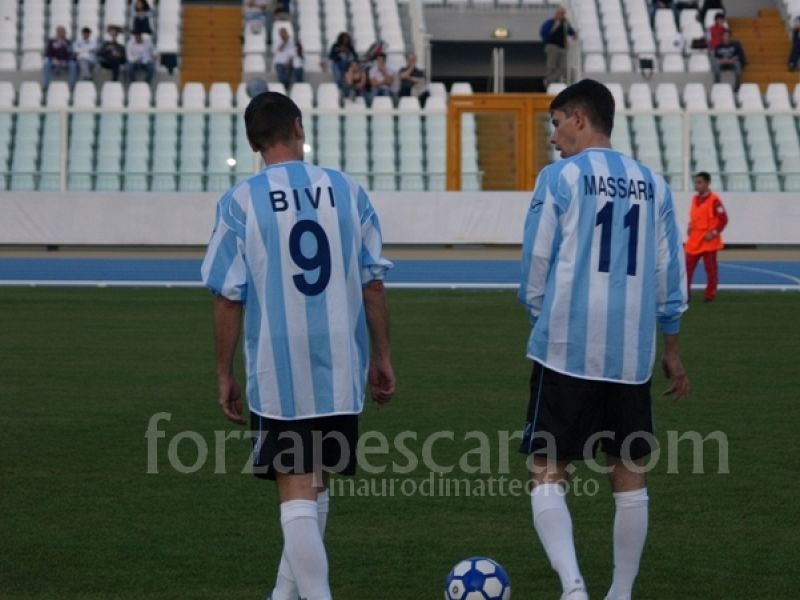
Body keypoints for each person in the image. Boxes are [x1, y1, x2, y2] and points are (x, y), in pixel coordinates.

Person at [200, 91, 395, 600]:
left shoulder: (241, 201)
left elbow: (227, 296)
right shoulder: (348, 191)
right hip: (341, 360)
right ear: (298, 127)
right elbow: (373, 283)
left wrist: (223, 373)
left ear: (252, 143)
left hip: (279, 364)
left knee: (296, 491)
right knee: (315, 483)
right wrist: (381, 356)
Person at [518, 79, 689, 600]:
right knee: (629, 473)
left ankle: (573, 588)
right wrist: (671, 347)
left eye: (556, 123)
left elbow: (536, 266)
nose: (553, 137)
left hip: (566, 351)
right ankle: (621, 592)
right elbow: (669, 274)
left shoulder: (559, 178)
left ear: (578, 118)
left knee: (547, 470)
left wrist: (541, 317)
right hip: (631, 356)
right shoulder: (653, 184)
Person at [685, 171, 728, 303]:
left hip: (708, 241)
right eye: (696, 182)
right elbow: (695, 216)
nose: (697, 185)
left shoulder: (714, 200)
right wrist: (690, 226)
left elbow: (723, 219)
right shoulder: (695, 199)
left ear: (707, 183)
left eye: (700, 182)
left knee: (711, 270)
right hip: (694, 239)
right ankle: (685, 295)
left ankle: (710, 295)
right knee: (686, 269)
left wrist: (713, 233)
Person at [540, 7, 576, 88]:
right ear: (556, 14)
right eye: (560, 13)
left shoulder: (565, 23)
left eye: (563, 14)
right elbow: (545, 34)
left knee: (563, 68)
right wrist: (555, 26)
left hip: (563, 48)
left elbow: (570, 31)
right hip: (552, 47)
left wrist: (574, 34)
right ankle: (549, 82)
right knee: (552, 66)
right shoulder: (550, 22)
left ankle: (549, 80)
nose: (562, 15)